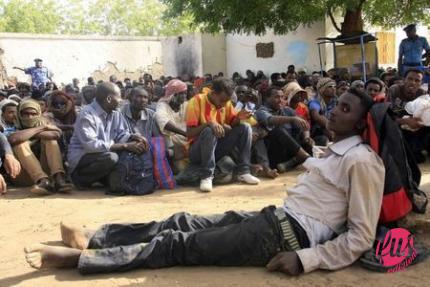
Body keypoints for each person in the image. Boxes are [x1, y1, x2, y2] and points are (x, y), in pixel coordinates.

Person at [24, 88, 385, 276]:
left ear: (360, 125)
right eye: (338, 103)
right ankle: (98, 237)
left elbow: (361, 235)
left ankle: (85, 260)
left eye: (346, 109)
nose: (335, 110)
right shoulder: (335, 151)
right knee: (180, 220)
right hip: (274, 218)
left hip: (286, 237)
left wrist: (306, 260)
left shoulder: (363, 161)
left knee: (178, 244)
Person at [67, 82, 147, 190]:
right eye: (119, 97)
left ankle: (103, 178)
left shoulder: (115, 113)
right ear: (109, 99)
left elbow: (121, 134)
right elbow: (91, 146)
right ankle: (80, 179)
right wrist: (125, 146)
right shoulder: (87, 114)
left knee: (134, 149)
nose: (121, 101)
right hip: (83, 157)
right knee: (112, 157)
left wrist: (133, 137)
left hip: (102, 153)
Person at [186, 77, 260, 192]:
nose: (224, 104)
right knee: (209, 130)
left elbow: (232, 124)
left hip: (216, 148)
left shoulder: (226, 103)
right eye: (222, 100)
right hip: (197, 152)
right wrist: (209, 123)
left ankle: (244, 171)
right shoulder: (196, 101)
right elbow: (189, 133)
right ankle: (207, 176)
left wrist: (239, 117)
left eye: (227, 101)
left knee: (245, 127)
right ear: (213, 93)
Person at [8, 100, 71, 195]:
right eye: (25, 114)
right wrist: (41, 128)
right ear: (19, 114)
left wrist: (29, 134)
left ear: (38, 114)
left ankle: (58, 178)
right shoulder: (12, 126)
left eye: (33, 114)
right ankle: (42, 180)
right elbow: (13, 139)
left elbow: (55, 134)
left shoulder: (44, 122)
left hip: (47, 172)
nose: (29, 117)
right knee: (20, 144)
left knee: (50, 140)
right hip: (23, 176)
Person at [256, 86, 311, 172]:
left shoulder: (287, 110)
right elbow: (270, 120)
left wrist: (306, 137)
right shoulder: (261, 111)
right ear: (267, 98)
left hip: (290, 151)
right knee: (277, 131)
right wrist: (292, 119)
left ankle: (289, 163)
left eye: (282, 97)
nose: (280, 100)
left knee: (312, 141)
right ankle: (304, 157)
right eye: (277, 97)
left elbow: (304, 125)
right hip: (274, 154)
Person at [386, 68, 430, 162]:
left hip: (416, 127)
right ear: (404, 80)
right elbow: (386, 116)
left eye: (417, 80)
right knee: (414, 157)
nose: (413, 82)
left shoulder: (422, 93)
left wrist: (420, 122)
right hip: (398, 127)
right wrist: (405, 121)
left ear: (421, 83)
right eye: (410, 79)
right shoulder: (394, 90)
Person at [155, 79, 188, 167]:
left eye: (185, 93)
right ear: (174, 95)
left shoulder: (185, 104)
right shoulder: (162, 105)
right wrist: (185, 133)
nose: (185, 96)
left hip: (187, 141)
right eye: (183, 93)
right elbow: (164, 123)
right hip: (172, 142)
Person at [308, 78, 337, 146]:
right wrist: (330, 128)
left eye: (334, 86)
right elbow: (316, 116)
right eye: (330, 87)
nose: (333, 89)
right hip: (317, 133)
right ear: (322, 89)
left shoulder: (335, 101)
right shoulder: (314, 101)